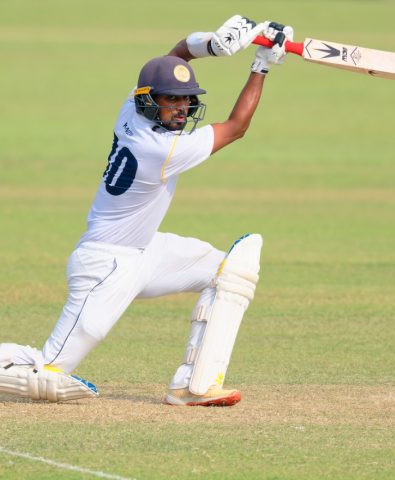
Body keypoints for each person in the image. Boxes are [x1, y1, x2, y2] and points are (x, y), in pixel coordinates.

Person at [0, 15, 293, 407]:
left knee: (228, 272)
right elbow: (236, 127)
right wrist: (261, 65)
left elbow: (175, 56)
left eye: (186, 99)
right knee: (49, 369)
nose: (182, 108)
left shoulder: (131, 108)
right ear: (150, 100)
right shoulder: (161, 149)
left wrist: (214, 44)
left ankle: (193, 386)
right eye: (171, 99)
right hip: (105, 266)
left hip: (145, 251)